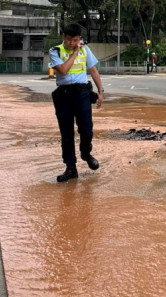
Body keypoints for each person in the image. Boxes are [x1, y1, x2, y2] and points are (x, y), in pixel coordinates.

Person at [48, 23, 104, 183]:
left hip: (82, 93)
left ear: (79, 38)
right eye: (69, 39)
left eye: (75, 40)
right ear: (63, 37)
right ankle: (71, 168)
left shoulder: (85, 49)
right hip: (63, 95)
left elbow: (93, 70)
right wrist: (75, 52)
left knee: (86, 129)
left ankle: (86, 153)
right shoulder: (55, 51)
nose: (72, 43)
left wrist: (100, 91)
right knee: (67, 134)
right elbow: (63, 70)